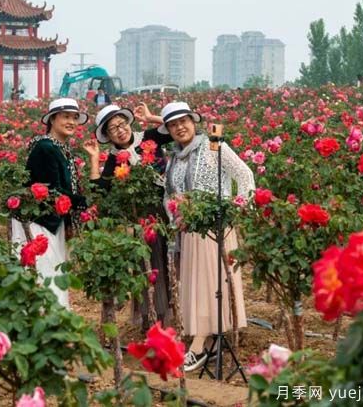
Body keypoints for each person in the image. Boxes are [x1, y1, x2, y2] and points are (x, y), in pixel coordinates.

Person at [161, 101, 254, 372]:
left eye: (184, 121)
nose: (180, 127)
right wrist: (175, 216)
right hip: (189, 231)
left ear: (194, 121)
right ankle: (210, 339)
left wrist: (237, 207)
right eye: (173, 124)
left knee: (212, 282)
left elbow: (244, 175)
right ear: (168, 130)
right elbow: (169, 195)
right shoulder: (174, 159)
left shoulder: (213, 146)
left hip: (215, 228)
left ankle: (198, 345)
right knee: (199, 285)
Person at [83, 103, 173, 327]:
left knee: (173, 259)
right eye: (113, 129)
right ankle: (153, 316)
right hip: (144, 217)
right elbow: (100, 190)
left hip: (169, 207)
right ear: (108, 135)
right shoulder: (114, 159)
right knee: (152, 264)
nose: (120, 130)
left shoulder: (148, 137)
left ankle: (177, 311)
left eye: (122, 124)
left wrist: (152, 117)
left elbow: (175, 127)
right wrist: (95, 159)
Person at [11, 98, 89, 308]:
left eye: (74, 117)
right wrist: (83, 203)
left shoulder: (60, 148)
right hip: (39, 222)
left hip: (52, 221)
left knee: (54, 270)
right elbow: (51, 190)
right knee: (46, 272)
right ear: (52, 119)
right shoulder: (44, 147)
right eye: (65, 117)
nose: (71, 121)